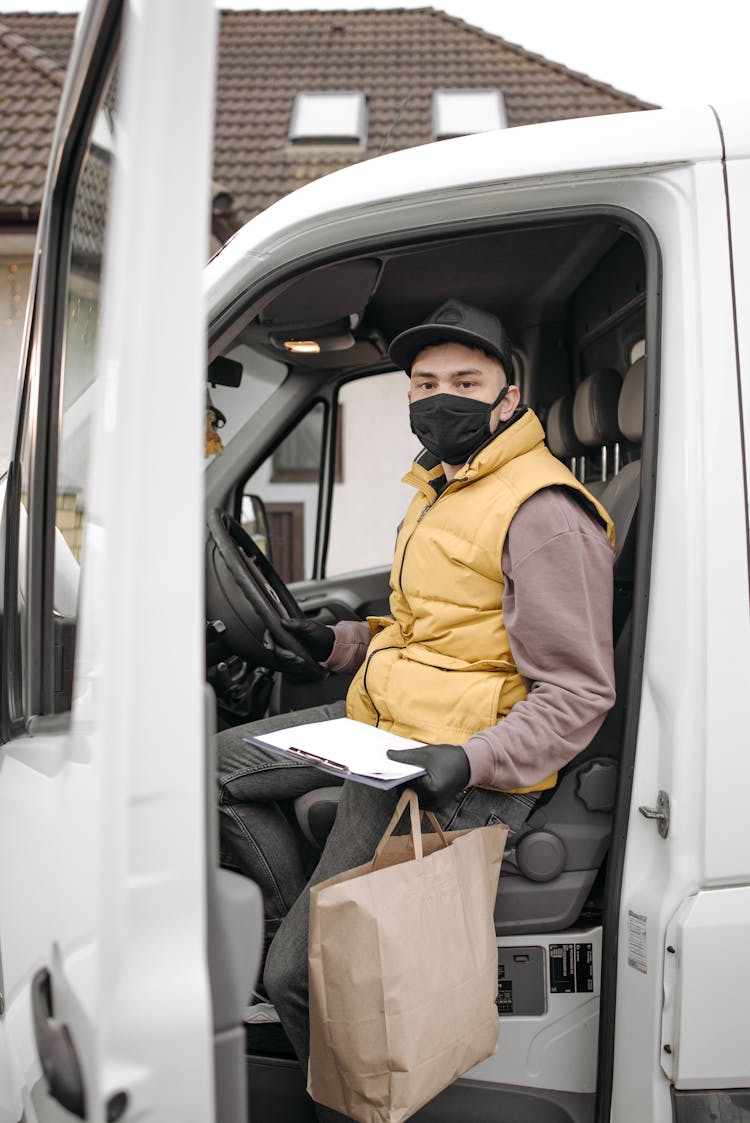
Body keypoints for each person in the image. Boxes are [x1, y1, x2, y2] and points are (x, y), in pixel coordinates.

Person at [217, 298, 615, 1123]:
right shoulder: (443, 484)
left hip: (454, 767)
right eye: (424, 382)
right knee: (211, 770)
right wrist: (338, 643)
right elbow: (434, 632)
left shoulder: (541, 509)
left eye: (466, 380)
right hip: (389, 727)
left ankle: (342, 1071)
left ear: (510, 396)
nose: (441, 397)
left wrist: (465, 762)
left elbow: (578, 695)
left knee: (301, 977)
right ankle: (307, 921)